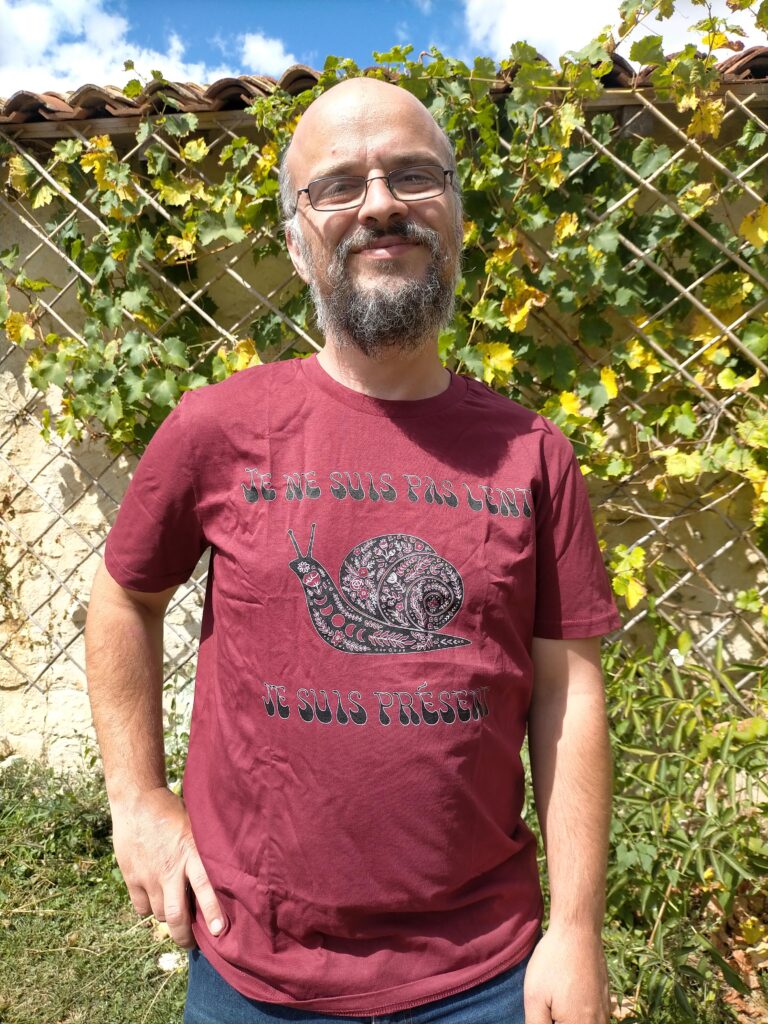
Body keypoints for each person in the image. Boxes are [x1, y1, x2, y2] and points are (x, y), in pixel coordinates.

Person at [86, 76, 621, 1024]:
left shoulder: (534, 453)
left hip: (484, 973)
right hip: (253, 970)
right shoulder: (217, 426)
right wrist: (136, 798)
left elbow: (567, 692)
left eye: (413, 175)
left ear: (455, 215)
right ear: (298, 239)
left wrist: (576, 929)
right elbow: (125, 597)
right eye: (338, 184)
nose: (380, 204)